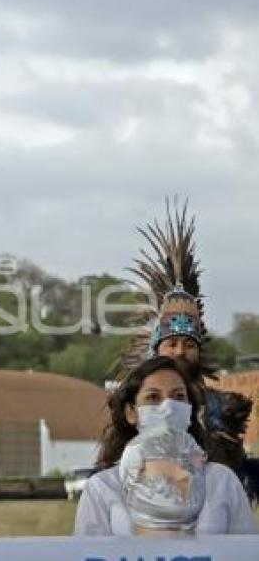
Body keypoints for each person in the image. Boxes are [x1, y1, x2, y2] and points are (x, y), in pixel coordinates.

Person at [120, 200, 252, 472]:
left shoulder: (221, 409)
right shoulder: (134, 404)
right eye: (172, 344)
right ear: (156, 350)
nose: (180, 351)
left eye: (189, 344)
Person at [75, 356, 256, 536]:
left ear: (190, 409)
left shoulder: (223, 481)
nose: (169, 406)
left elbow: (246, 551)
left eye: (178, 397)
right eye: (153, 397)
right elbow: (87, 553)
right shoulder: (102, 488)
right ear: (131, 412)